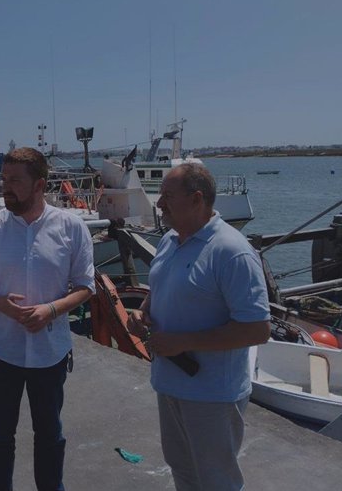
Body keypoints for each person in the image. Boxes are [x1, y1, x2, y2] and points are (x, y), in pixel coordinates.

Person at [0, 147, 95, 491]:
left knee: (50, 434)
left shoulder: (71, 227)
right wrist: (2, 305)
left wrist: (51, 310)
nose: (6, 187)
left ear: (39, 184)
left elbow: (86, 287)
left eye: (15, 180)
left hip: (50, 352)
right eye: (4, 179)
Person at [130, 163, 270, 491]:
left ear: (196, 200)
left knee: (217, 481)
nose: (159, 203)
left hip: (212, 395)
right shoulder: (169, 240)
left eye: (167, 196)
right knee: (183, 471)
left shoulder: (231, 252)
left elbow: (257, 329)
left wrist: (182, 342)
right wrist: (142, 312)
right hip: (170, 384)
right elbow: (162, 288)